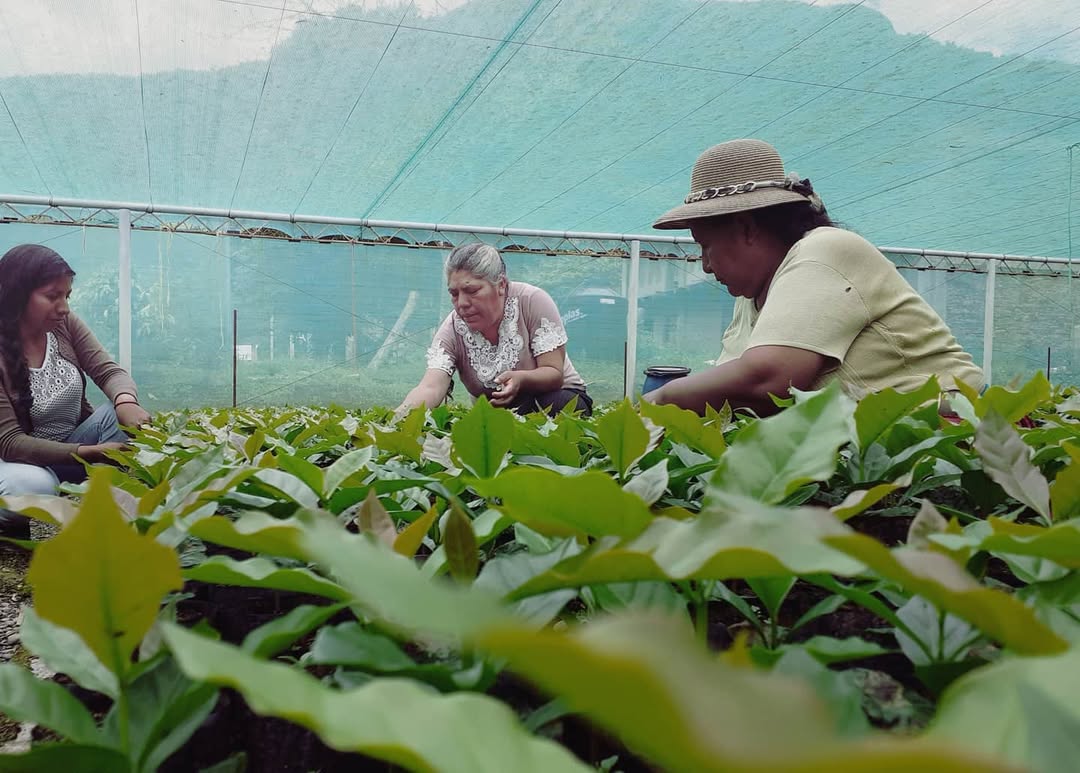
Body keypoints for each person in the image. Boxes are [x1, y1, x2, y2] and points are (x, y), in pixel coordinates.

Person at [644, 138, 984, 415]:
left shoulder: (827, 250)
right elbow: (734, 391)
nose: (704, 265)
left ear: (746, 228)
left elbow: (769, 379)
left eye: (707, 246)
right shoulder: (754, 296)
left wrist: (661, 399)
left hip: (951, 436)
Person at [0, 244, 152, 538]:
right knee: (33, 486)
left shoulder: (64, 325)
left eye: (66, 296)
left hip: (68, 454)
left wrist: (126, 401)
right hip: (14, 463)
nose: (64, 307)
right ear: (17, 295)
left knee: (114, 416)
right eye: (52, 296)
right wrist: (86, 452)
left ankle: (107, 515)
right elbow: (10, 442)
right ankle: (8, 522)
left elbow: (108, 371)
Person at [399, 243, 592, 417]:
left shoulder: (531, 301)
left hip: (557, 400)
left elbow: (553, 373)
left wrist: (522, 379)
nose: (462, 304)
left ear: (501, 285)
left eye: (472, 291)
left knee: (557, 405)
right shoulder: (452, 330)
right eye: (454, 294)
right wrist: (396, 419)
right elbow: (430, 387)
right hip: (501, 417)